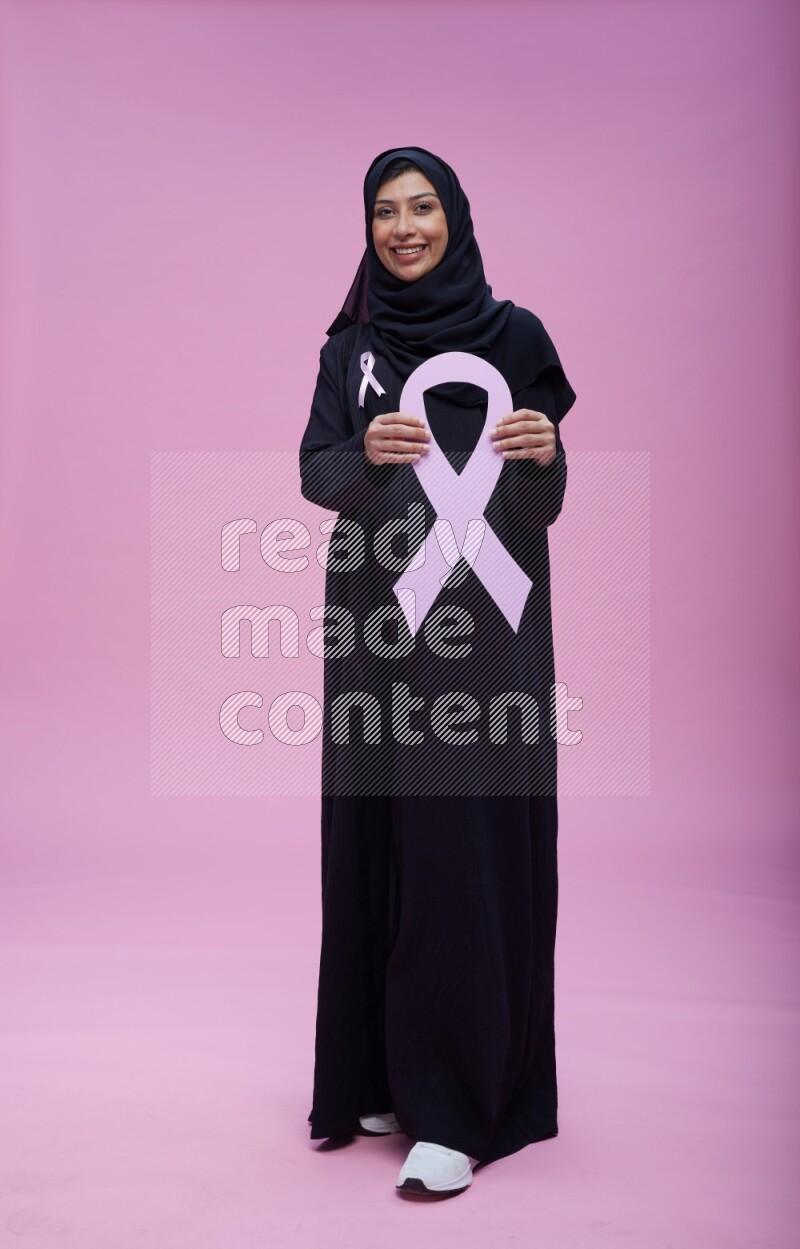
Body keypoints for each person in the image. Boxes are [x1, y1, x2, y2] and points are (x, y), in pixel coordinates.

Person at [298, 147, 577, 1197]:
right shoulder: (352, 349)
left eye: (421, 207)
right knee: (375, 836)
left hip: (486, 636)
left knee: (463, 848)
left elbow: (542, 503)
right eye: (383, 210)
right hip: (375, 626)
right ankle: (373, 1068)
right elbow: (316, 470)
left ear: (455, 217)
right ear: (365, 226)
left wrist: (547, 455)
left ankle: (459, 1105)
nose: (402, 226)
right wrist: (367, 454)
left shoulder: (517, 338)